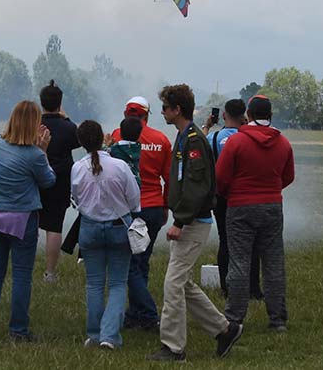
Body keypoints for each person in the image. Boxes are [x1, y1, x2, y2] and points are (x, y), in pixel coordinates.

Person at [147, 84, 243, 362]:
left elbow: (197, 185)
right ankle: (224, 330)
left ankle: (174, 348)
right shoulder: (187, 135)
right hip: (189, 219)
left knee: (173, 284)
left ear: (177, 110)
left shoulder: (192, 140)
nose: (162, 111)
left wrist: (180, 221)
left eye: (165, 107)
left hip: (193, 221)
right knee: (183, 282)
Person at [214, 95, 294, 333]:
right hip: (272, 206)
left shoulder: (236, 142)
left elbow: (221, 178)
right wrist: (270, 190)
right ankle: (277, 319)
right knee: (273, 262)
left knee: (239, 262)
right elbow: (288, 176)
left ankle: (234, 318)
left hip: (240, 205)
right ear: (270, 116)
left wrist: (232, 194)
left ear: (248, 115)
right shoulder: (283, 143)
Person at [0, 100, 55, 341]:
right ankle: (18, 330)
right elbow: (48, 181)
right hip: (21, 219)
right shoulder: (34, 155)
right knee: (21, 275)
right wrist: (43, 151)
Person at [72, 120, 141, 350]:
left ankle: (93, 334)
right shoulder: (119, 166)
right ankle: (109, 336)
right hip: (119, 226)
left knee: (94, 284)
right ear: (103, 137)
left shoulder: (77, 168)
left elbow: (77, 199)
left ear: (80, 142)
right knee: (118, 284)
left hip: (90, 227)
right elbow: (134, 199)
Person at [109, 97, 173, 332]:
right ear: (147, 116)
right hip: (153, 207)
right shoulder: (161, 140)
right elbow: (168, 178)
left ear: (126, 115)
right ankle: (136, 315)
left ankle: (147, 314)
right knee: (142, 261)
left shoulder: (116, 136)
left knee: (130, 266)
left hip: (127, 210)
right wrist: (166, 206)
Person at [204, 98, 260, 299]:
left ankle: (226, 288)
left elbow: (200, 149)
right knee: (252, 242)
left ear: (224, 115)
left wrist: (207, 126)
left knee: (225, 241)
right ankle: (254, 288)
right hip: (246, 195)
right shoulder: (249, 136)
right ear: (243, 116)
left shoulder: (213, 137)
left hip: (222, 196)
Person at [37, 81, 78, 283]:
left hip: (34, 179)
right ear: (60, 103)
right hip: (60, 181)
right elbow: (79, 139)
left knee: (28, 224)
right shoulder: (68, 127)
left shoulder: (35, 125)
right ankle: (50, 273)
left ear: (41, 103)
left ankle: (23, 265)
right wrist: (67, 117)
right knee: (54, 227)